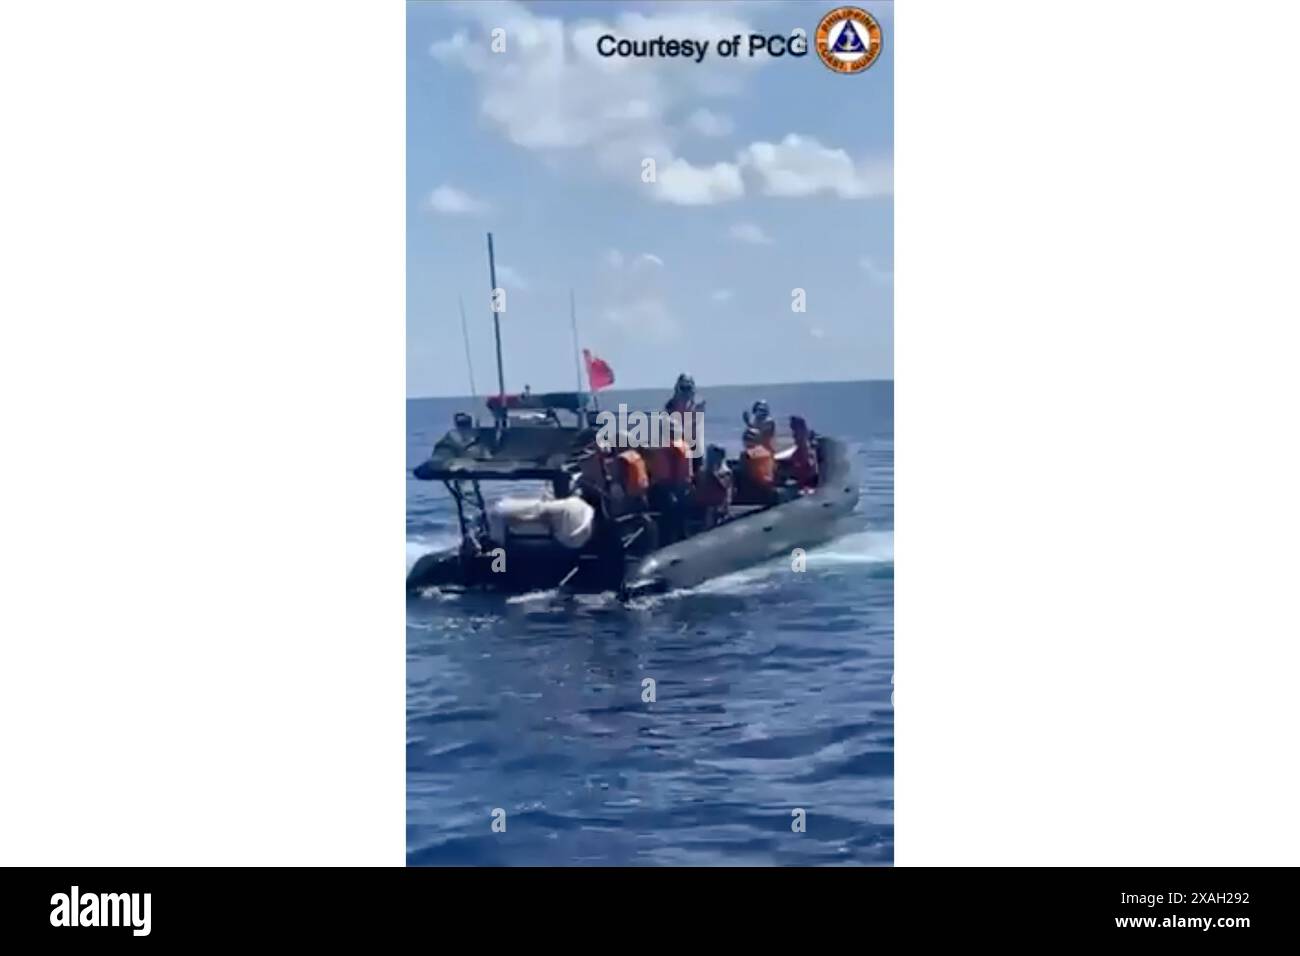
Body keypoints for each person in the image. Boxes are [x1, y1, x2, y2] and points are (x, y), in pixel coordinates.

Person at [645, 423, 693, 544]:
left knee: (667, 525)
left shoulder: (666, 448)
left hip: (668, 489)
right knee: (679, 522)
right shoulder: (683, 446)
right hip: (681, 489)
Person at [692, 444, 733, 528]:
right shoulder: (702, 471)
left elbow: (726, 487)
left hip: (718, 506)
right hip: (704, 505)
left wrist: (715, 475)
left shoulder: (725, 472)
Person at [738, 426, 777, 505]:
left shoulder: (746, 454)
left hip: (754, 488)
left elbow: (744, 471)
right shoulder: (767, 452)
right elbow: (774, 468)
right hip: (767, 487)